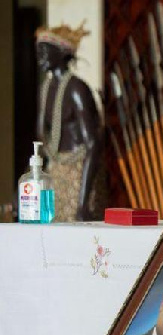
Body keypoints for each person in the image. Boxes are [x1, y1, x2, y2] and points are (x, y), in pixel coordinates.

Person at [35, 23, 107, 222]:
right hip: (56, 171)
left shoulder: (77, 89)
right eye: (37, 52)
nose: (40, 57)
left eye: (44, 51)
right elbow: (40, 141)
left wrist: (83, 203)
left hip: (80, 173)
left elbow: (93, 145)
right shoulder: (46, 88)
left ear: (61, 52)